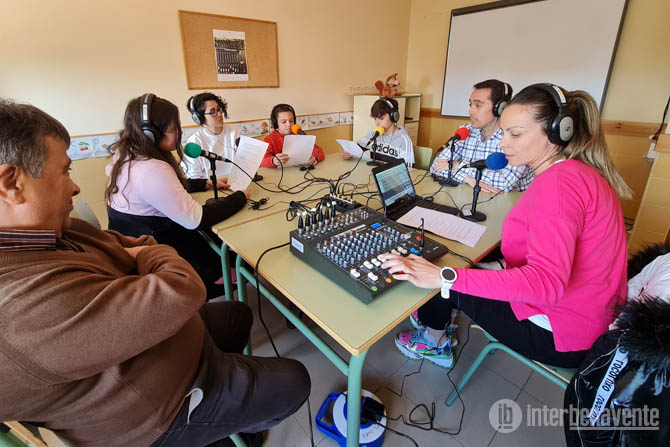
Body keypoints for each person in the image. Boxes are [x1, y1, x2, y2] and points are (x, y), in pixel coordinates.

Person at [0, 99, 310, 447]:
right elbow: (183, 285)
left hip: (157, 338)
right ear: (11, 183)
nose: (75, 187)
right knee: (295, 381)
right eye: (65, 171)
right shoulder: (19, 307)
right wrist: (151, 256)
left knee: (238, 314)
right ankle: (213, 423)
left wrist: (143, 255)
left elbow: (133, 243)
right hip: (156, 410)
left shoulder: (51, 232)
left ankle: (227, 409)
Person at [382, 84, 631, 369]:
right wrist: (489, 267)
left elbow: (546, 284)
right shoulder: (578, 173)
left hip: (561, 334)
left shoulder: (558, 186)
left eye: (515, 134)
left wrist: (446, 278)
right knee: (460, 267)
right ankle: (439, 314)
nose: (503, 144)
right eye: (504, 133)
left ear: (555, 134)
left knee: (442, 279)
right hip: (588, 319)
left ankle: (434, 342)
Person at [106, 93, 249, 300]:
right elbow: (196, 219)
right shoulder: (151, 169)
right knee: (237, 257)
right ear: (151, 134)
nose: (180, 133)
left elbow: (165, 190)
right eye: (175, 128)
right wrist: (239, 197)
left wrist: (205, 183)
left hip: (138, 239)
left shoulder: (129, 155)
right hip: (156, 256)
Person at [430, 79, 532, 193]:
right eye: (470, 105)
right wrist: (468, 179)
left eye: (478, 105)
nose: (470, 111)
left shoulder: (516, 138)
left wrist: (458, 165)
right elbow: (436, 166)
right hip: (471, 194)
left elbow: (504, 183)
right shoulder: (466, 131)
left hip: (512, 199)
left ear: (500, 108)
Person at [181, 92, 238, 187]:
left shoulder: (234, 131)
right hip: (210, 189)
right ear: (199, 118)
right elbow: (194, 178)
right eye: (213, 112)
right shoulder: (194, 142)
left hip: (235, 183)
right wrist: (213, 184)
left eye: (219, 109)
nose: (219, 114)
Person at [343, 97, 415, 166]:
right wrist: (350, 152)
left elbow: (409, 168)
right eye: (375, 119)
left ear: (393, 116)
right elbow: (358, 147)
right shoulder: (374, 134)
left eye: (381, 118)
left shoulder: (404, 140)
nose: (377, 123)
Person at [260, 103, 325, 168]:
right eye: (283, 122)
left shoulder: (298, 134)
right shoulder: (270, 139)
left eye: (291, 121)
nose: (288, 124)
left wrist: (315, 158)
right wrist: (273, 161)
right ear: (276, 123)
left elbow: (319, 151)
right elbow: (263, 161)